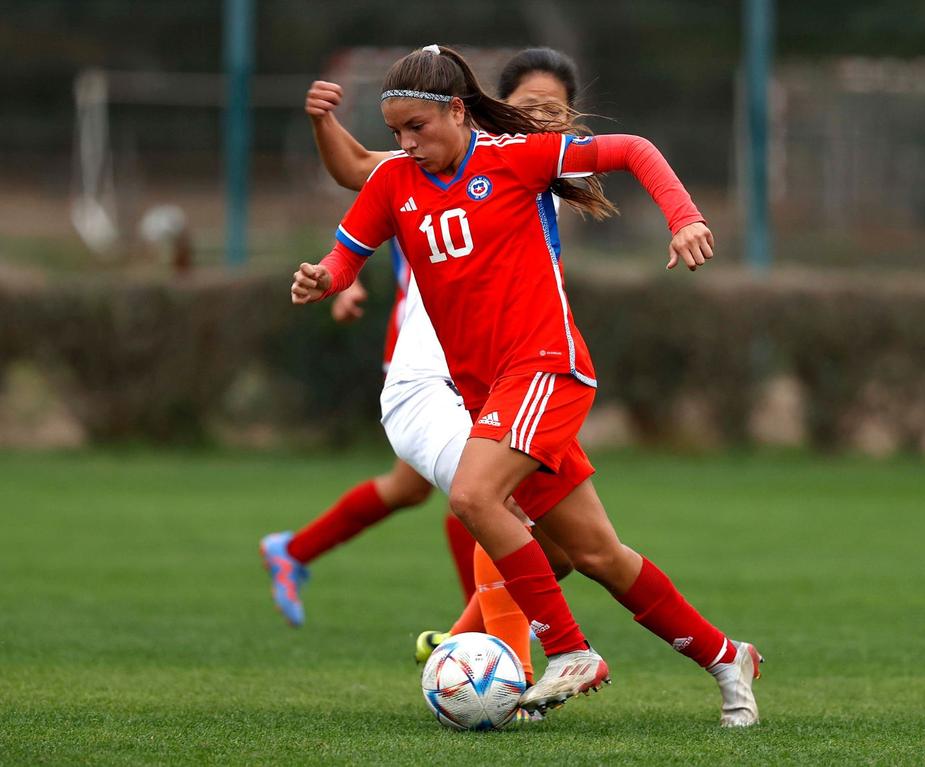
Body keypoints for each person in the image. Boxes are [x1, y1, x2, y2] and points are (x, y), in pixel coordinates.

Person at [290, 45, 763, 726]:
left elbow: (634, 150)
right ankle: (726, 657)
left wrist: (685, 216)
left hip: (545, 365)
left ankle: (568, 649)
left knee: (474, 495)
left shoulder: (515, 158)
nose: (407, 143)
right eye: (396, 132)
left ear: (458, 111)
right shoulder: (394, 182)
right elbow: (344, 256)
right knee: (595, 552)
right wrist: (323, 278)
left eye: (418, 127)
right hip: (489, 391)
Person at [262, 50, 581, 685]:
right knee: (493, 499)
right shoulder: (429, 154)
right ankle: (495, 652)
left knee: (444, 494)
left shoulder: (537, 165)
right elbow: (359, 174)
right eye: (530, 106)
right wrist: (338, 274)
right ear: (490, 106)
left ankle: (308, 557)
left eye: (556, 109)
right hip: (433, 357)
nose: (543, 117)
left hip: (506, 359)